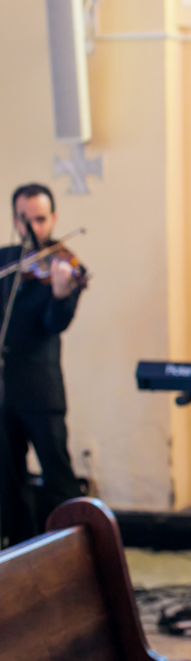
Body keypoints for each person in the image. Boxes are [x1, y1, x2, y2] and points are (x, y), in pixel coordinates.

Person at [0, 183, 86, 548]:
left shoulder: (62, 265)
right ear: (14, 220)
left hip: (40, 388)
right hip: (4, 388)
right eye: (25, 219)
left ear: (53, 219)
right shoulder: (5, 261)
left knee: (58, 476)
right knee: (9, 480)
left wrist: (61, 295)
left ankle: (74, 550)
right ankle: (20, 554)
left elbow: (55, 324)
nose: (33, 228)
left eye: (40, 219)